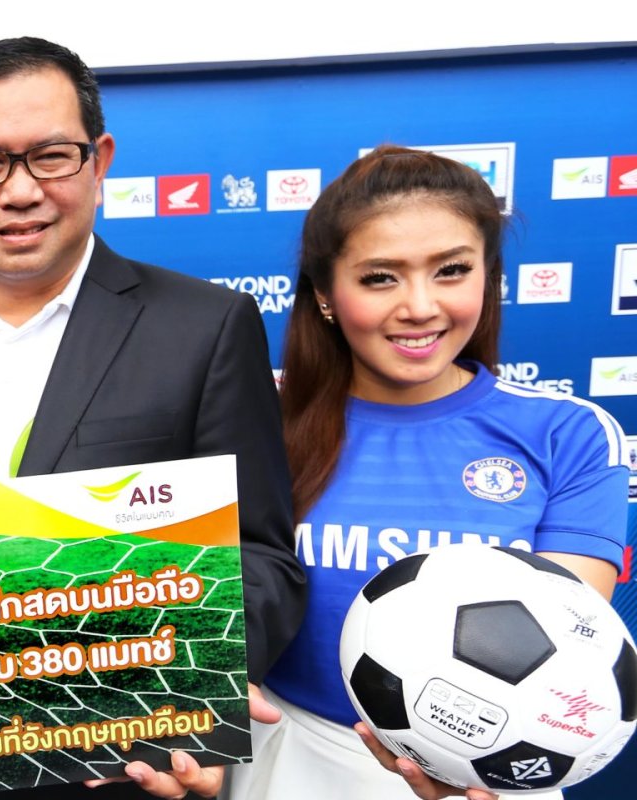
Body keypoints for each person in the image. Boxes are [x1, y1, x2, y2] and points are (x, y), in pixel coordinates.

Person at [0, 37, 306, 799]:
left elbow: (261, 559)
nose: (19, 191)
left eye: (51, 157)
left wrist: (199, 678)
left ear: (99, 161)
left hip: (129, 760)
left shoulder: (204, 327)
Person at [230, 146, 627, 800]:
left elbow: (565, 656)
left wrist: (464, 760)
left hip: (489, 770)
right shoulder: (255, 418)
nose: (419, 306)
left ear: (488, 276)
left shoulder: (568, 434)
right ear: (326, 293)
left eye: (451, 270)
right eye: (380, 278)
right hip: (287, 754)